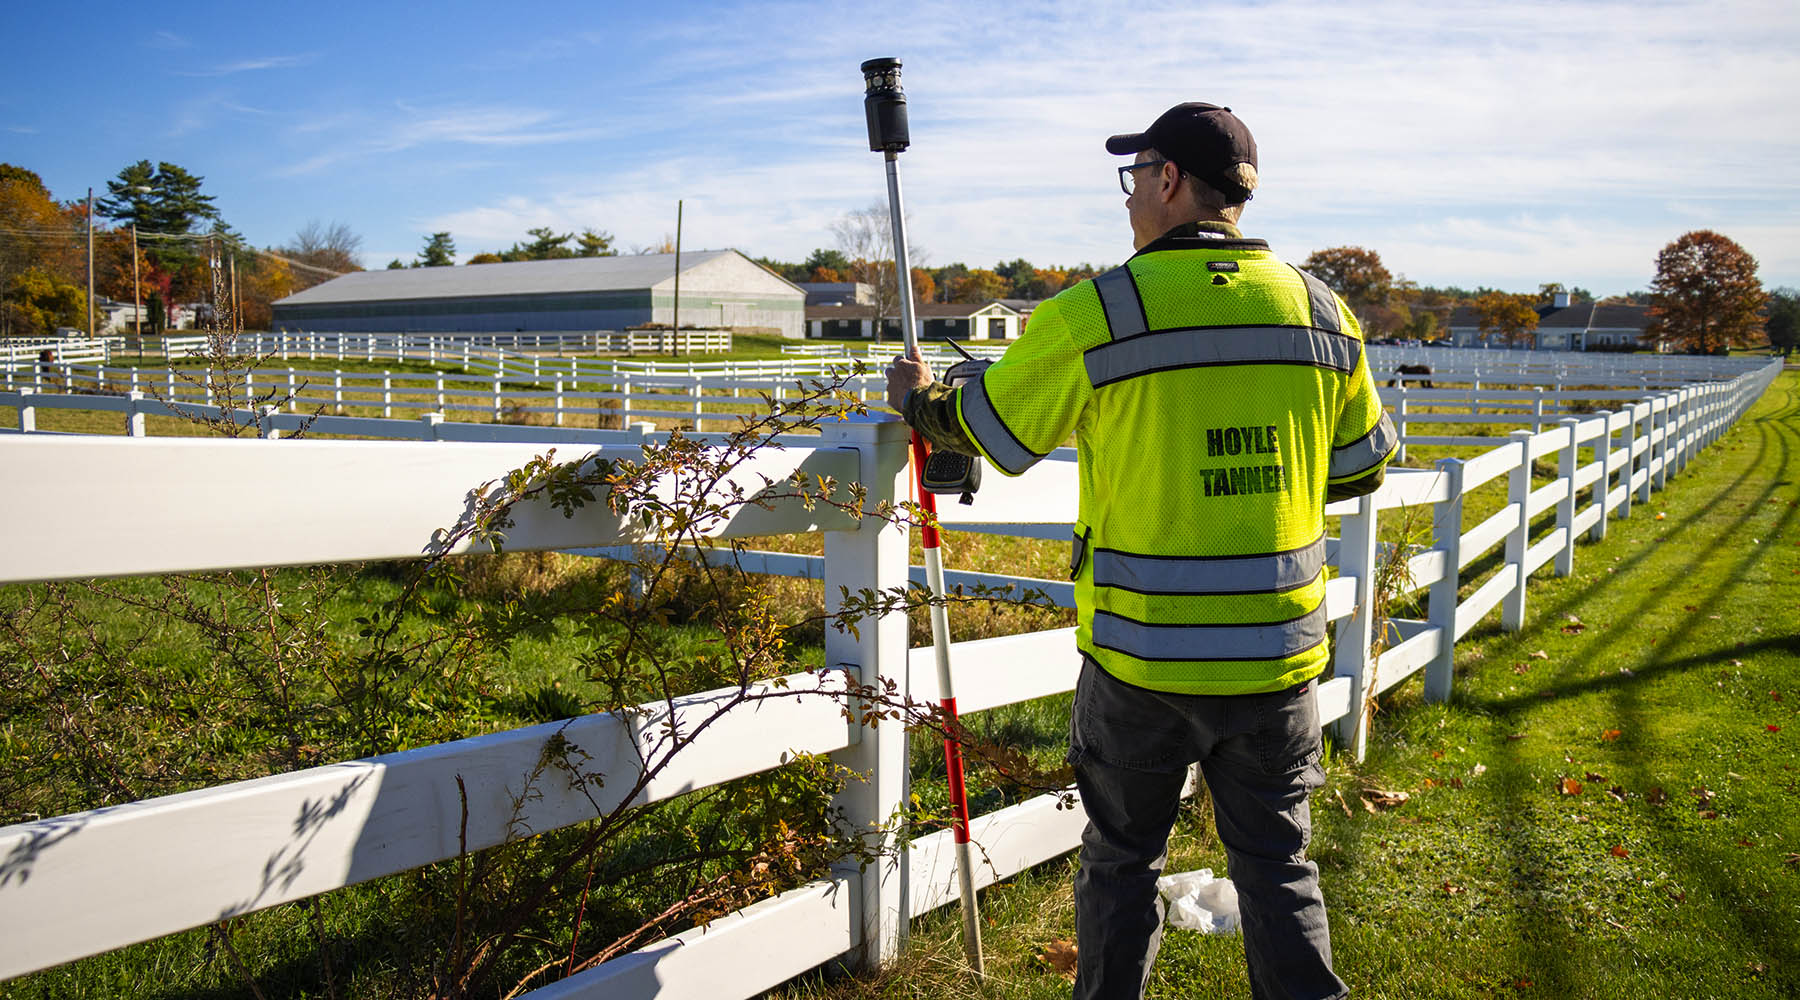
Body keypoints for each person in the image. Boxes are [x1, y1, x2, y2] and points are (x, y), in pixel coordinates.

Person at [885, 102, 1395, 999]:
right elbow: (1358, 472)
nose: (1128, 201)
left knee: (1122, 863)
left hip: (1141, 657)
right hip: (1278, 655)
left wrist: (921, 402)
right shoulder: (1323, 311)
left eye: (1136, 178)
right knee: (1278, 866)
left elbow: (992, 430)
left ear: (1168, 181)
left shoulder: (1100, 310)